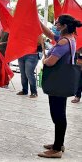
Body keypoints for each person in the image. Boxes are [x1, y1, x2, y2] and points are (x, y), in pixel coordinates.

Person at [38, 14, 82, 158]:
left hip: (58, 81)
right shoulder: (70, 39)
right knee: (59, 113)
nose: (55, 27)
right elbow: (49, 34)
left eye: (58, 24)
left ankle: (56, 149)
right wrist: (37, 22)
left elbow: (51, 62)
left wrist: (44, 61)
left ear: (64, 26)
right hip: (62, 81)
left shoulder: (63, 42)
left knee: (58, 115)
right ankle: (59, 143)